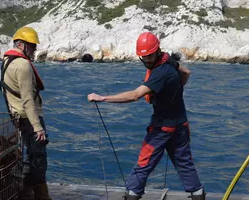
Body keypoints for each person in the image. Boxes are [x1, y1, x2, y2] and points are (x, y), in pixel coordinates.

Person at [87, 32, 205, 200]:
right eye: (144, 57)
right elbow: (186, 73)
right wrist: (174, 90)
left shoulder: (159, 73)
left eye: (149, 56)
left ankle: (132, 195)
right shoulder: (169, 62)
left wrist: (103, 98)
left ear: (157, 51)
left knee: (143, 165)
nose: (147, 60)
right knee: (185, 165)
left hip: (163, 128)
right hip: (180, 125)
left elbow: (135, 95)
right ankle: (198, 195)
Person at [0, 26, 52, 200]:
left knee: (30, 155)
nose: (35, 50)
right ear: (21, 45)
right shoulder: (23, 65)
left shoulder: (7, 60)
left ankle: (25, 191)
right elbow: (28, 100)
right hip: (28, 117)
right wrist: (38, 128)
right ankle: (41, 196)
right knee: (39, 158)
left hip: (17, 116)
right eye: (32, 46)